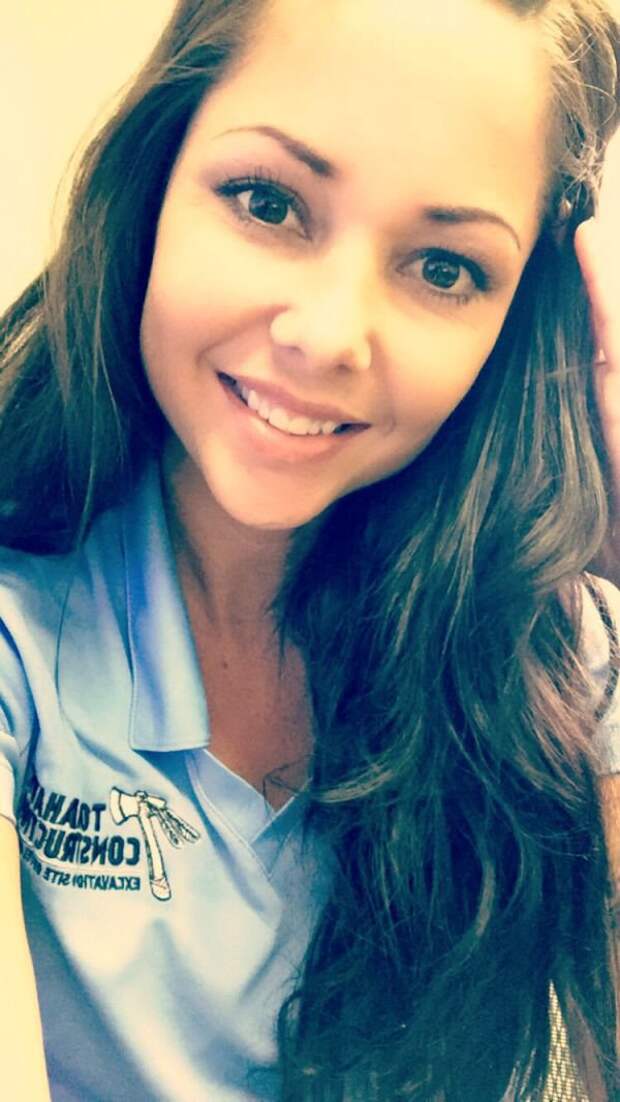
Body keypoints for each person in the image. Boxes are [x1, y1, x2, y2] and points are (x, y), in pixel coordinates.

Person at [0, 0, 619, 1098]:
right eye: (269, 202)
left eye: (443, 268)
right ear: (152, 180)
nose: (329, 335)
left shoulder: (561, 659)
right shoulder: (21, 629)